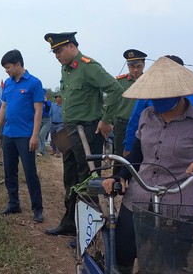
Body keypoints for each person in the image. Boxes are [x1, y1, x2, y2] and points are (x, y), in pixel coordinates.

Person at [102, 56, 193, 274]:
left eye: (164, 95)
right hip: (139, 194)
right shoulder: (147, 115)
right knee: (123, 251)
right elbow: (137, 153)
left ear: (180, 92)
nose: (158, 100)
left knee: (169, 262)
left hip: (178, 200)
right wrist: (121, 176)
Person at [43, 32, 124, 236]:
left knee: (87, 180)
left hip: (87, 131)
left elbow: (115, 89)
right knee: (70, 177)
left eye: (59, 50)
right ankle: (70, 222)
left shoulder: (88, 67)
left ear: (72, 46)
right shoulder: (66, 69)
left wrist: (106, 120)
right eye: (54, 52)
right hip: (70, 130)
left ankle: (88, 231)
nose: (56, 55)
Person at [0, 49, 44, 223]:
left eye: (8, 67)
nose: (6, 71)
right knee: (9, 171)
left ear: (18, 64)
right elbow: (4, 108)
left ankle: (37, 208)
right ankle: (13, 203)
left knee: (30, 173)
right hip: (9, 135)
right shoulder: (8, 83)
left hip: (25, 136)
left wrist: (35, 135)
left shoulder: (34, 83)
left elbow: (38, 111)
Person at [122, 54, 193, 156]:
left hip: (182, 151)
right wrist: (129, 147)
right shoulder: (148, 94)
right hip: (150, 149)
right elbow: (135, 121)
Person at [113, 49, 147, 160]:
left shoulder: (149, 81)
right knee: (120, 156)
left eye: (138, 66)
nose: (135, 70)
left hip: (143, 124)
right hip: (122, 124)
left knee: (141, 155)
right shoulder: (120, 82)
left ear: (144, 64)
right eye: (132, 67)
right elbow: (112, 102)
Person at [37, 90, 52, 156]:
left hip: (47, 120)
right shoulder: (37, 103)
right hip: (40, 119)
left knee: (41, 134)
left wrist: (45, 102)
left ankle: (41, 151)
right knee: (38, 135)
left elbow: (47, 110)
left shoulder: (48, 102)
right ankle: (42, 150)